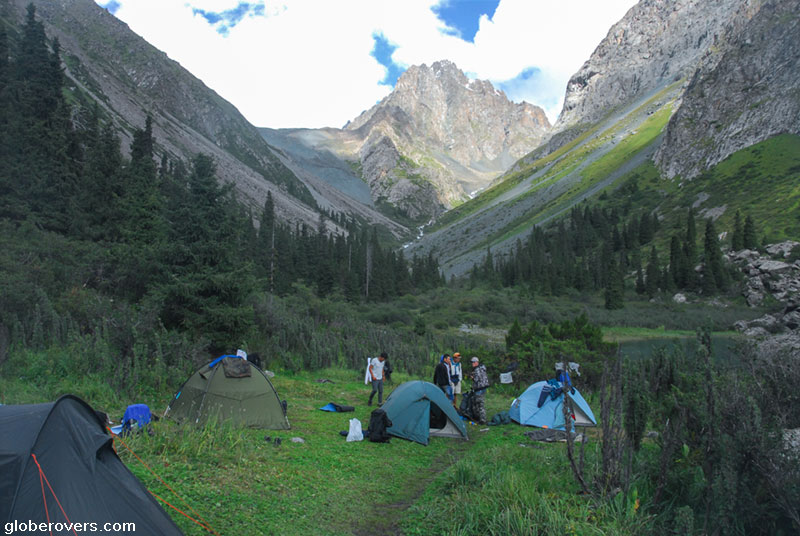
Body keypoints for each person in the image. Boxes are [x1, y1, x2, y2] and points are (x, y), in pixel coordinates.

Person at [470, 356, 489, 424]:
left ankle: (482, 419)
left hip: (479, 388)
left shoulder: (477, 369)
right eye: (472, 362)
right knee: (480, 403)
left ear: (476, 362)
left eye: (473, 362)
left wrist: (472, 377)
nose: (472, 364)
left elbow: (476, 379)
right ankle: (481, 418)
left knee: (479, 404)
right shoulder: (482, 368)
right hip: (483, 388)